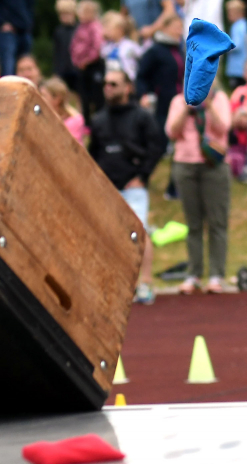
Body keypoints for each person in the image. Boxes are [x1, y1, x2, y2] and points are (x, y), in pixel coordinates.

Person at [89, 69, 163, 304]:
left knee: (139, 232)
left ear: (127, 87)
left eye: (114, 83)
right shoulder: (99, 119)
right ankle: (116, 284)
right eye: (106, 83)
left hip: (134, 187)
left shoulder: (142, 117)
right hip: (108, 188)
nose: (108, 87)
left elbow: (156, 146)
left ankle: (146, 283)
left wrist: (142, 176)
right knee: (107, 235)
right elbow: (94, 153)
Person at [166, 82, 231, 294]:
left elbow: (224, 127)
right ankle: (194, 274)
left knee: (217, 222)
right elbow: (171, 131)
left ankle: (216, 275)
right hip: (185, 164)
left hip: (214, 165)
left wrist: (209, 105)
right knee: (193, 223)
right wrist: (187, 107)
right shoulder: (178, 101)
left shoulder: (220, 99)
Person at [136, 14, 184, 143]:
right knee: (160, 126)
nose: (179, 31)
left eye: (180, 27)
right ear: (164, 28)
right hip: (161, 98)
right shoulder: (155, 50)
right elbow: (141, 75)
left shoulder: (180, 50)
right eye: (175, 27)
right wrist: (143, 94)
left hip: (178, 96)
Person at [70, 0, 105, 123]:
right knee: (83, 96)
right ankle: (86, 122)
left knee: (97, 95)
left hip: (93, 65)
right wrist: (76, 61)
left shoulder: (95, 27)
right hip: (81, 67)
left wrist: (86, 61)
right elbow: (74, 45)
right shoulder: (80, 27)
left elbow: (97, 46)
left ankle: (99, 121)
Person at [40, 76, 86, 143]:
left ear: (57, 99)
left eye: (44, 95)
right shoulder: (40, 115)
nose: (40, 99)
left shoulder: (74, 120)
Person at [101, 11, 142, 81]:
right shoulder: (107, 47)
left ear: (120, 29)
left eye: (110, 29)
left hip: (129, 81)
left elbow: (141, 57)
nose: (107, 31)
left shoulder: (130, 45)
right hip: (111, 81)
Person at [52, 0, 79, 92]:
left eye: (67, 14)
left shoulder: (79, 30)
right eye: (62, 14)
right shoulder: (58, 31)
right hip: (63, 68)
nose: (64, 17)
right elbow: (57, 52)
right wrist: (56, 70)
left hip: (76, 68)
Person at [225, 0, 247, 91]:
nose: (228, 15)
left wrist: (223, 48)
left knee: (237, 91)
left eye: (230, 12)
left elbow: (236, 45)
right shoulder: (245, 24)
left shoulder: (237, 26)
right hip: (243, 66)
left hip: (237, 68)